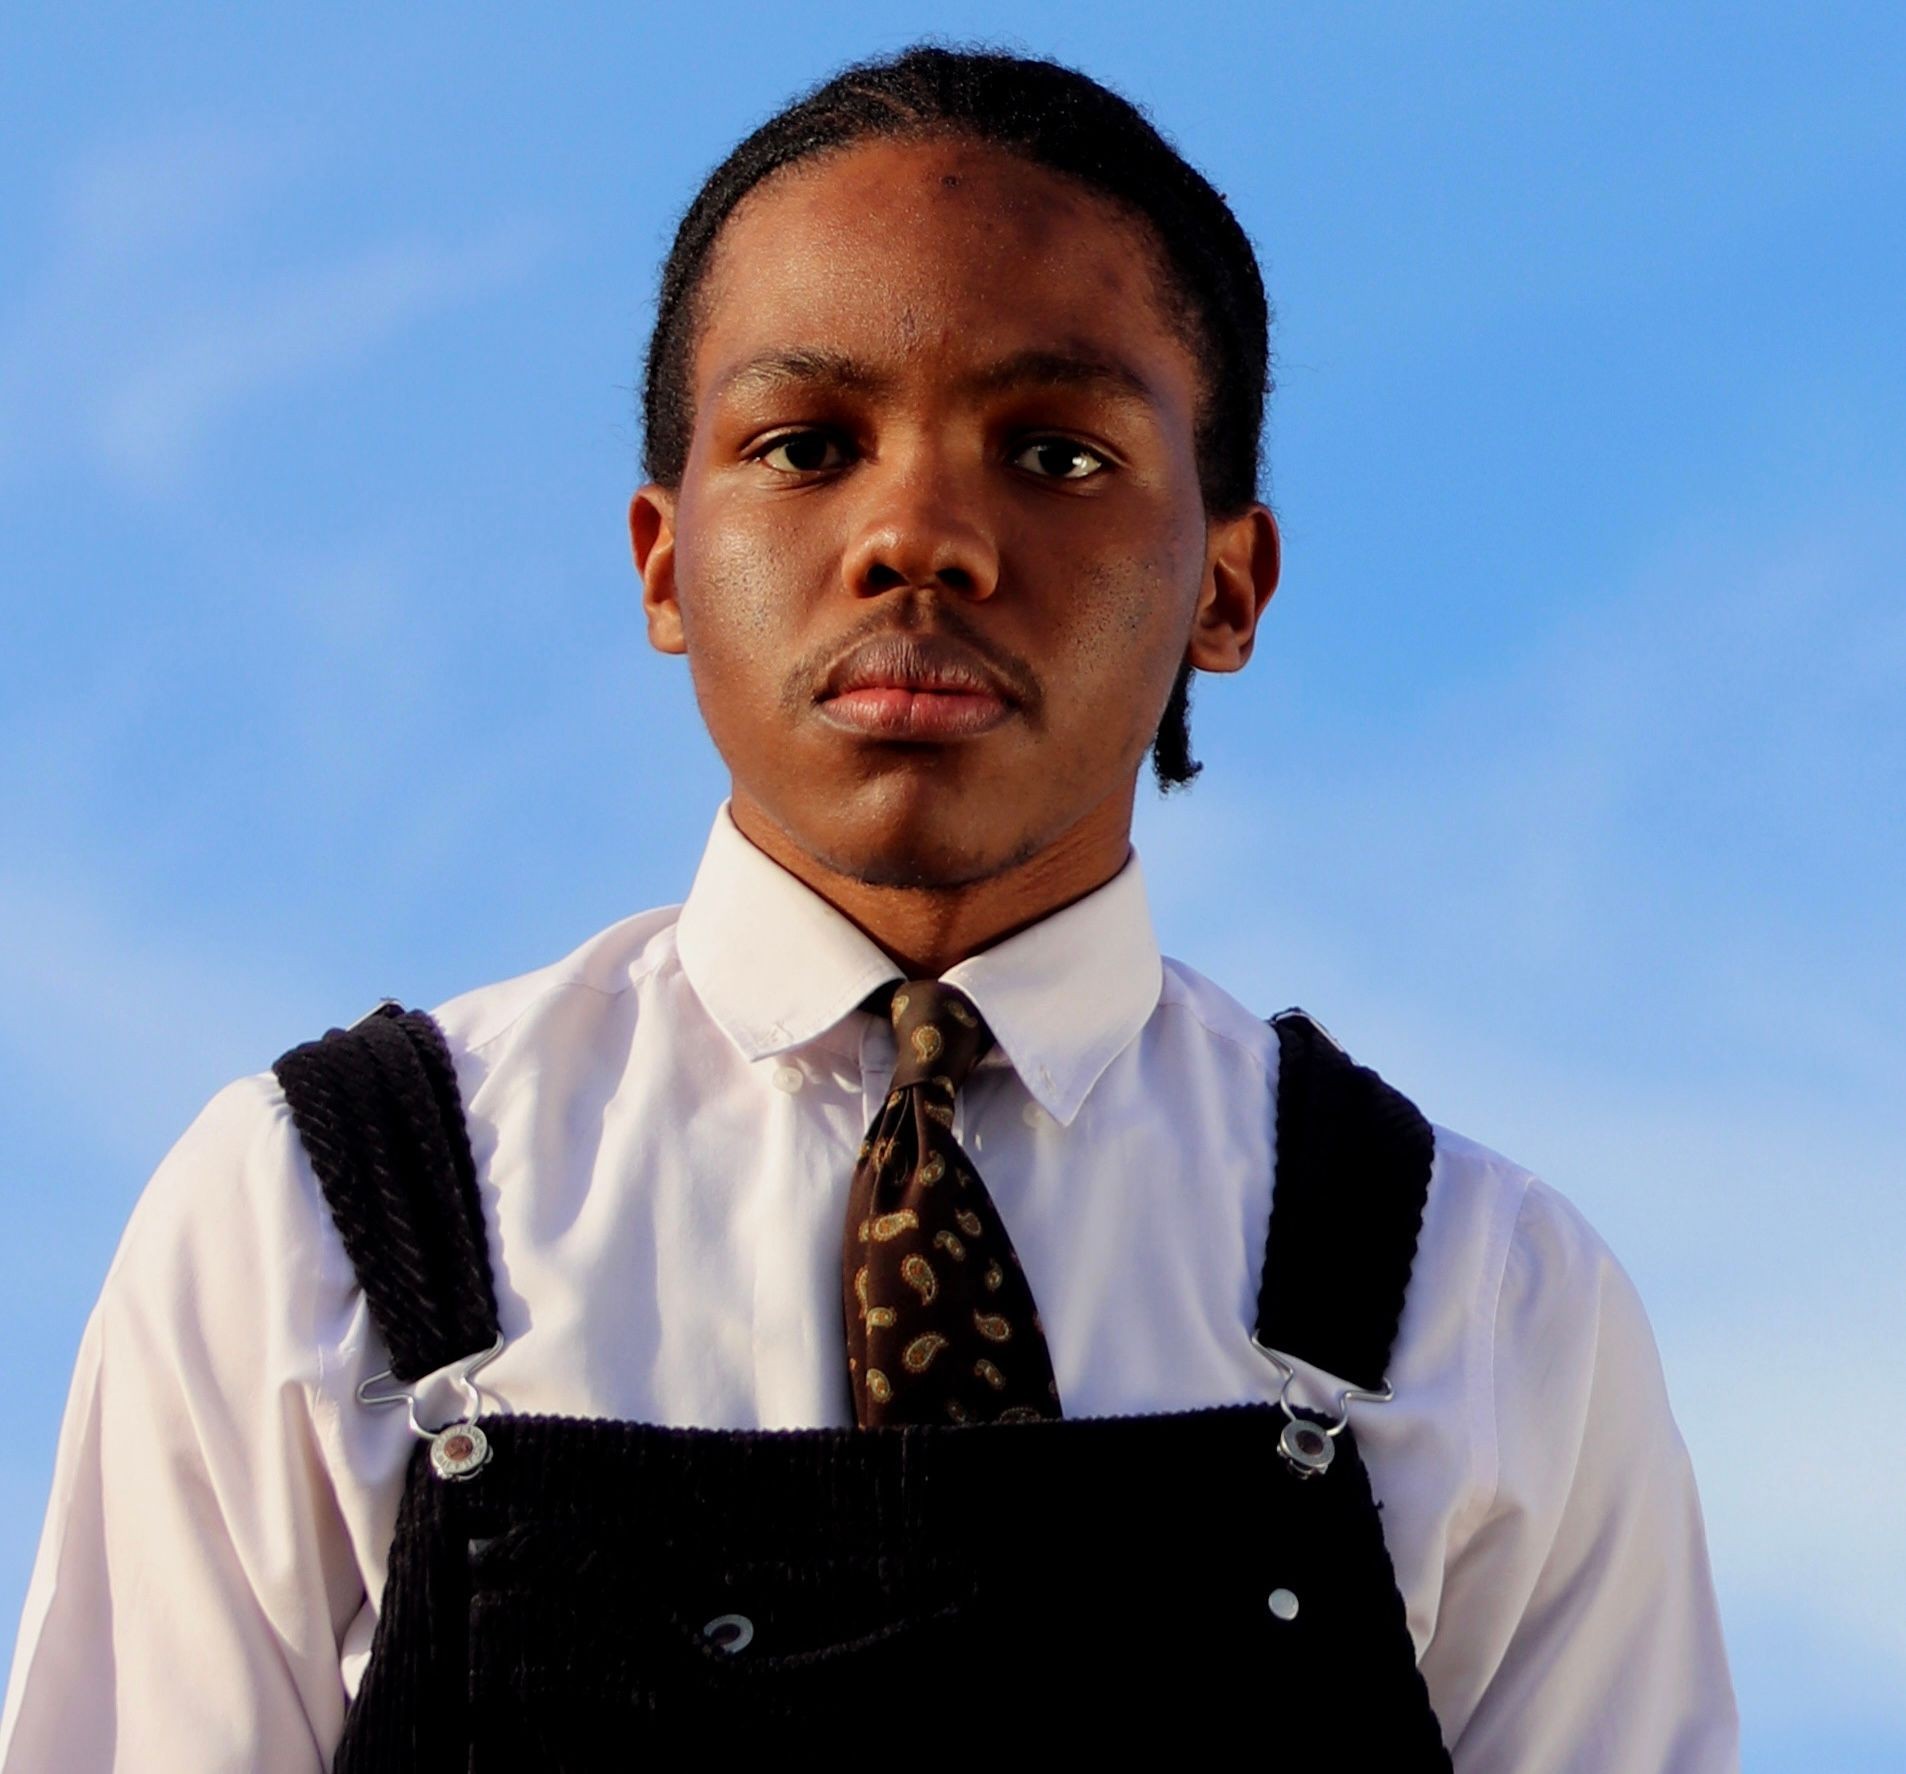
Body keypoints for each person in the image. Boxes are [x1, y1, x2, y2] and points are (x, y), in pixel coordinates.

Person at [0, 44, 1738, 1770]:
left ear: (1226, 582)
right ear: (665, 560)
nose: (920, 534)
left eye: (1055, 454)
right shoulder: (307, 1222)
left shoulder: (1486, 1301)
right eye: (808, 442)